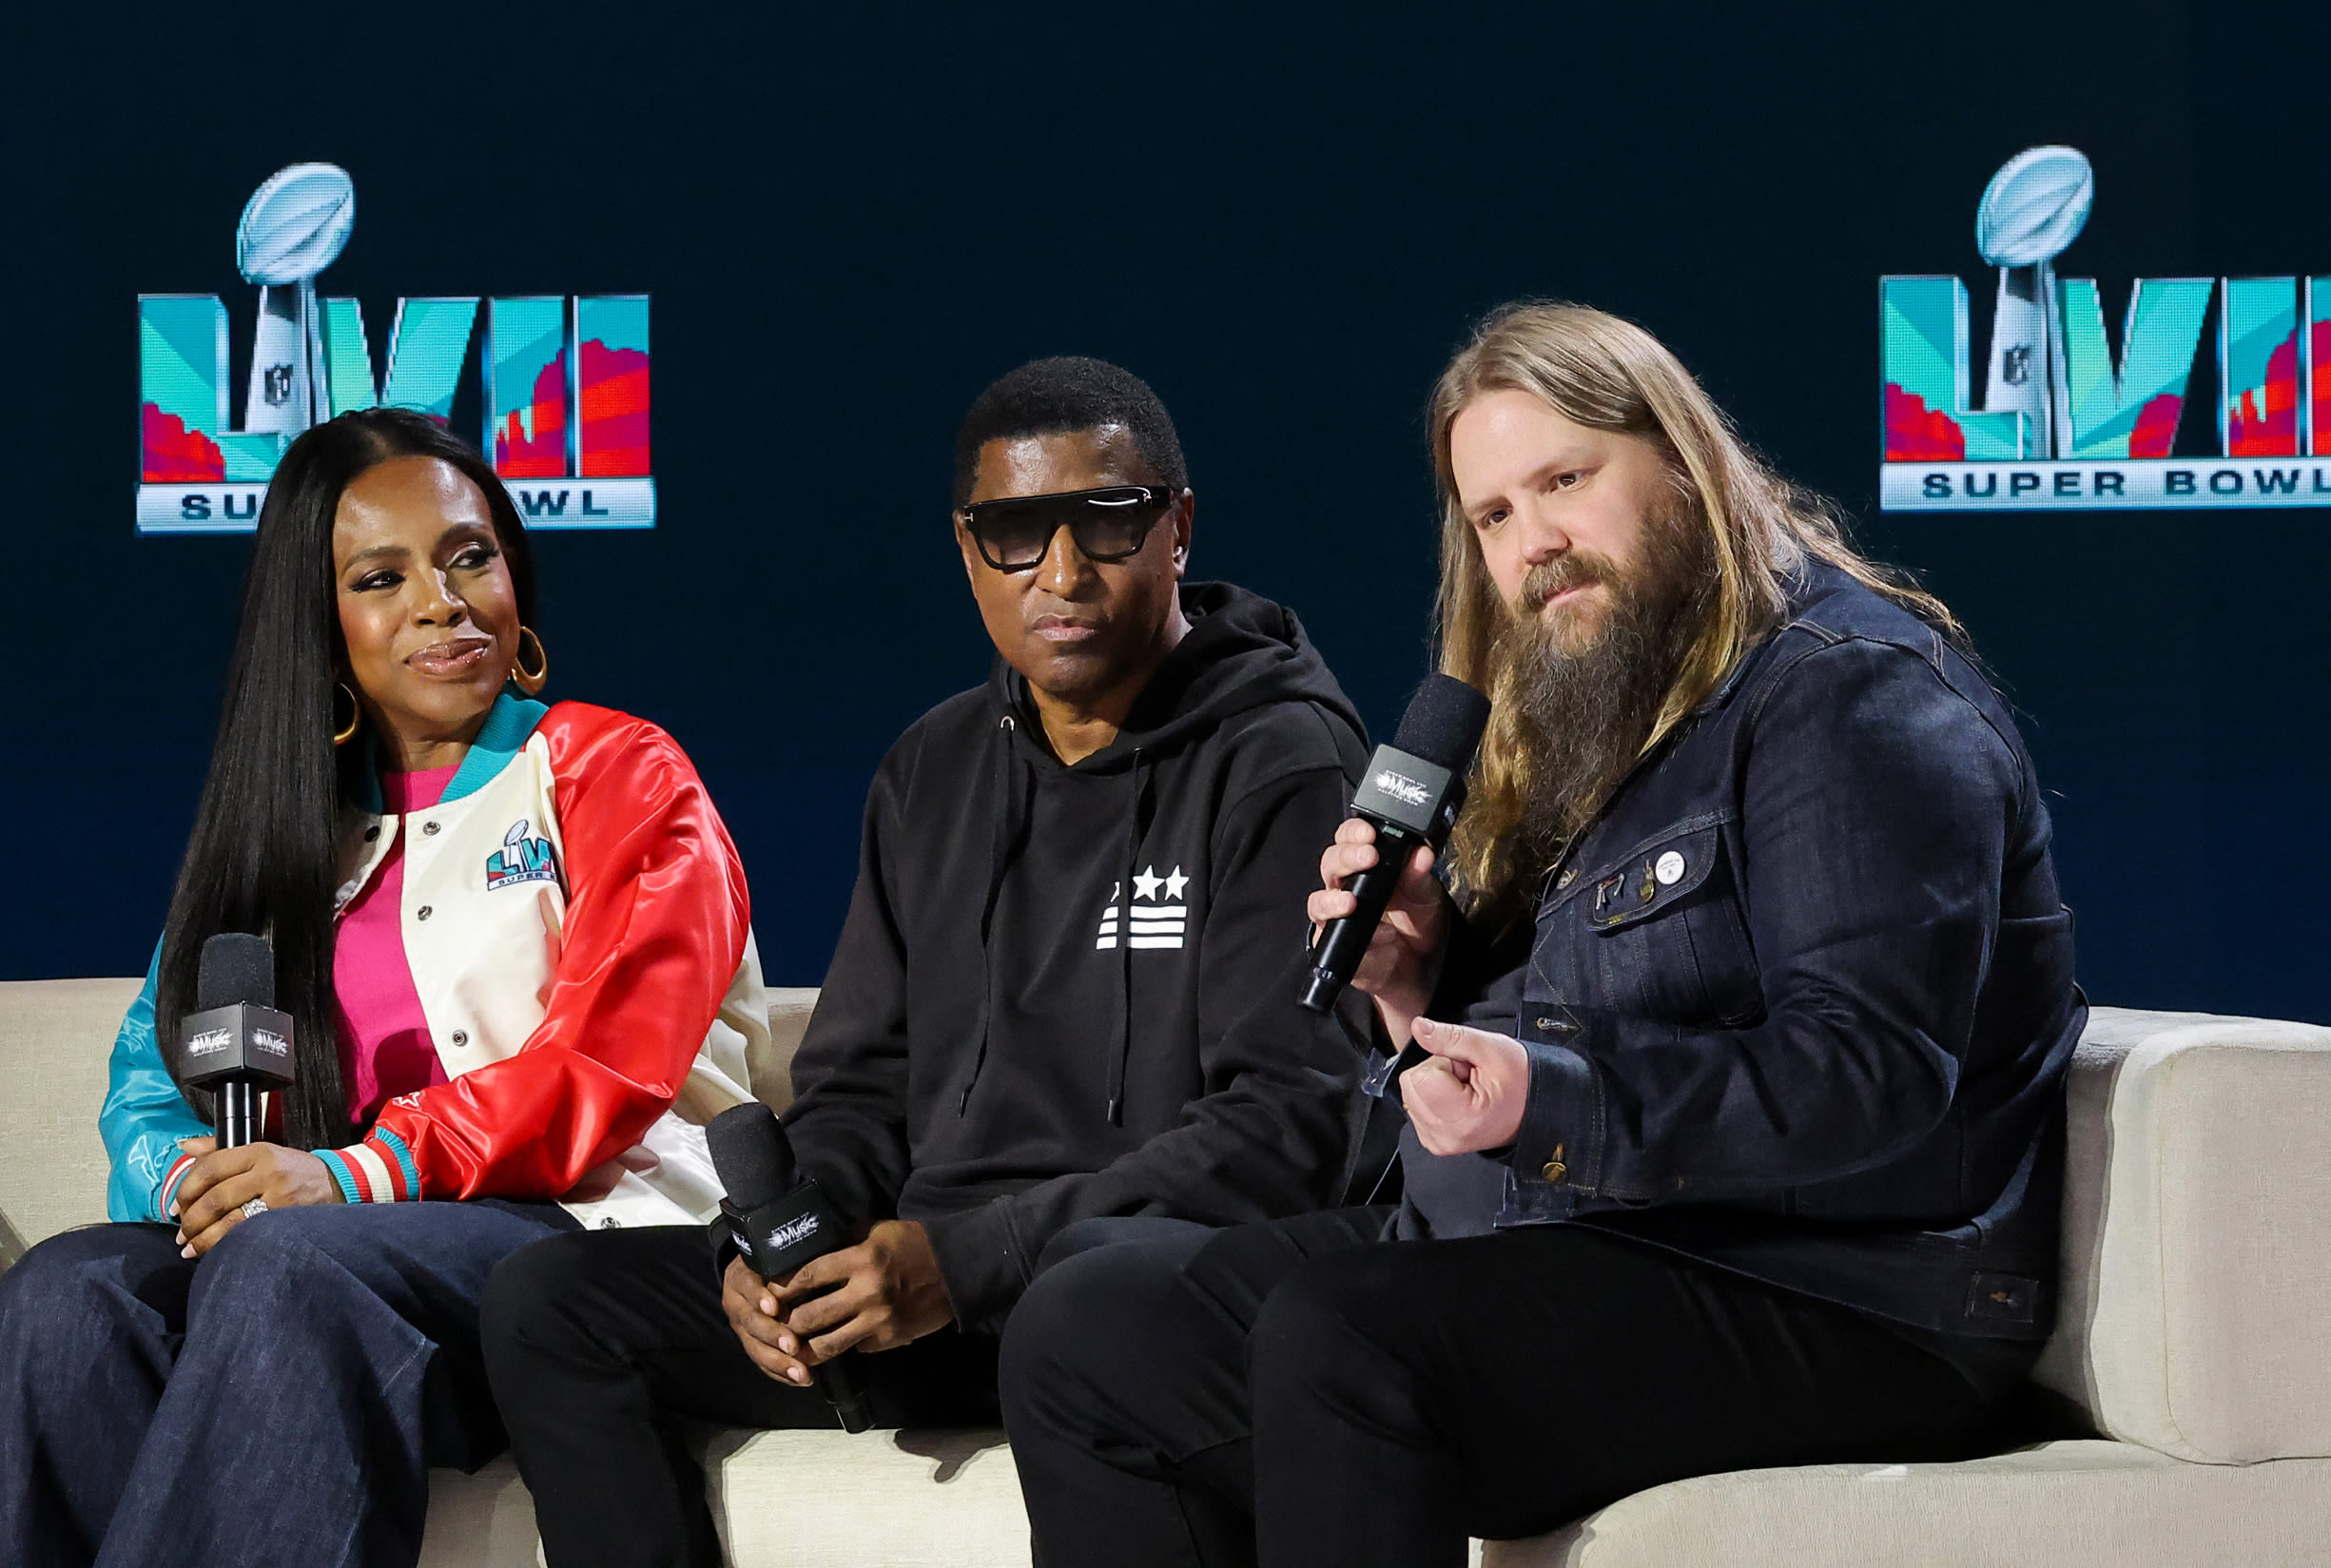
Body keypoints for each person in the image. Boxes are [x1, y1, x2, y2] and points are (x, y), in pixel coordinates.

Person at [1000, 303, 2088, 1567]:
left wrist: (1553, 1099)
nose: (1537, 544)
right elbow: (1570, 1034)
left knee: (1351, 1333)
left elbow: (1875, 1073)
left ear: (1682, 461)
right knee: (1088, 1324)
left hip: (1860, 1292)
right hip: (1608, 1239)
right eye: (1495, 515)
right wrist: (1418, 987)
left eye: (1566, 480)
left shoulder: (1849, 694)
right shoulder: (1604, 702)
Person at [480, 357, 1378, 1567]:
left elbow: (1292, 1119)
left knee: (1085, 1302)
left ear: (1176, 529)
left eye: (1107, 523)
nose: (1062, 574)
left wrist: (978, 1260)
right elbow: (859, 1086)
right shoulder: (930, 770)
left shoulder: (1278, 758)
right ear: (968, 551)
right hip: (932, 1286)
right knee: (553, 1306)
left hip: (1130, 1288)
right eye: (1015, 533)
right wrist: (791, 1248)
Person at [0, 409, 771, 1568]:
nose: (441, 600)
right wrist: (202, 1182)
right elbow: (153, 1078)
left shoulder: (618, 770)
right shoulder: (279, 829)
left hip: (589, 1241)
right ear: (321, 626)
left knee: (289, 1265)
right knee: (69, 1293)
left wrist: (358, 1172)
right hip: (330, 1263)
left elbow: (606, 1063)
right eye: (380, 576)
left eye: (470, 555)